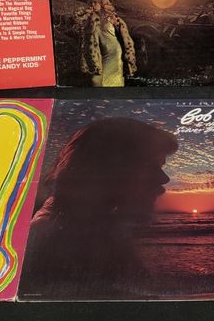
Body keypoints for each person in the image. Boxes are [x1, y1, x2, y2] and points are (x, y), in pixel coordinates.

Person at [20, 118, 178, 299]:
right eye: (150, 165)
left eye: (160, 167)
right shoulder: (65, 242)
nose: (164, 178)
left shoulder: (91, 232)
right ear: (108, 169)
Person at [74, 0, 136, 87]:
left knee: (111, 80)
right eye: (91, 2)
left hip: (114, 51)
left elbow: (123, 35)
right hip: (99, 52)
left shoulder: (112, 17)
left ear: (102, 4)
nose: (93, 4)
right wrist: (85, 11)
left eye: (96, 2)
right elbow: (77, 19)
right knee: (96, 80)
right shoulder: (91, 18)